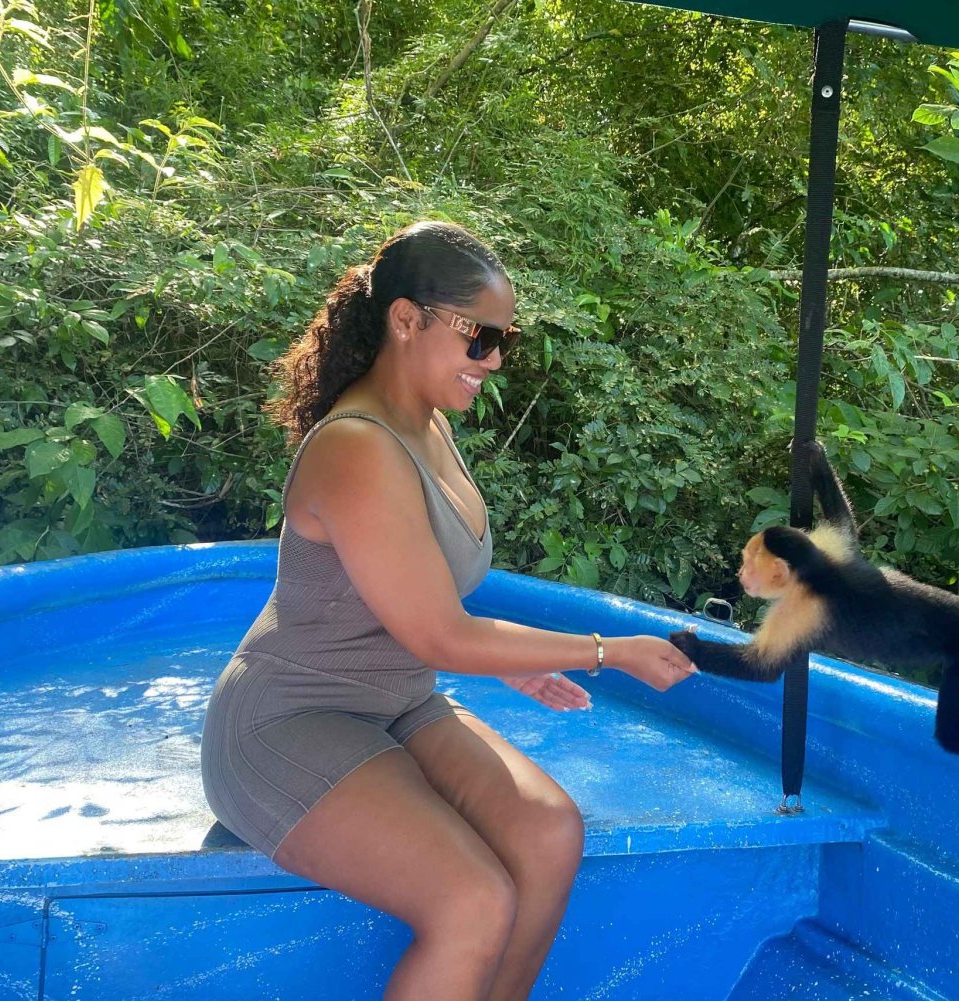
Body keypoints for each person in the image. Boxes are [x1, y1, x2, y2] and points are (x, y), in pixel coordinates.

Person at [200, 220, 696, 1001]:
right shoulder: (358, 447)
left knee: (549, 832)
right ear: (407, 318)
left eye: (506, 340)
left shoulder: (427, 422)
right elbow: (440, 631)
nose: (494, 360)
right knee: (471, 899)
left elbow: (422, 600)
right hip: (288, 720)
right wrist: (606, 648)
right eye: (481, 337)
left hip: (396, 699)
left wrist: (518, 662)